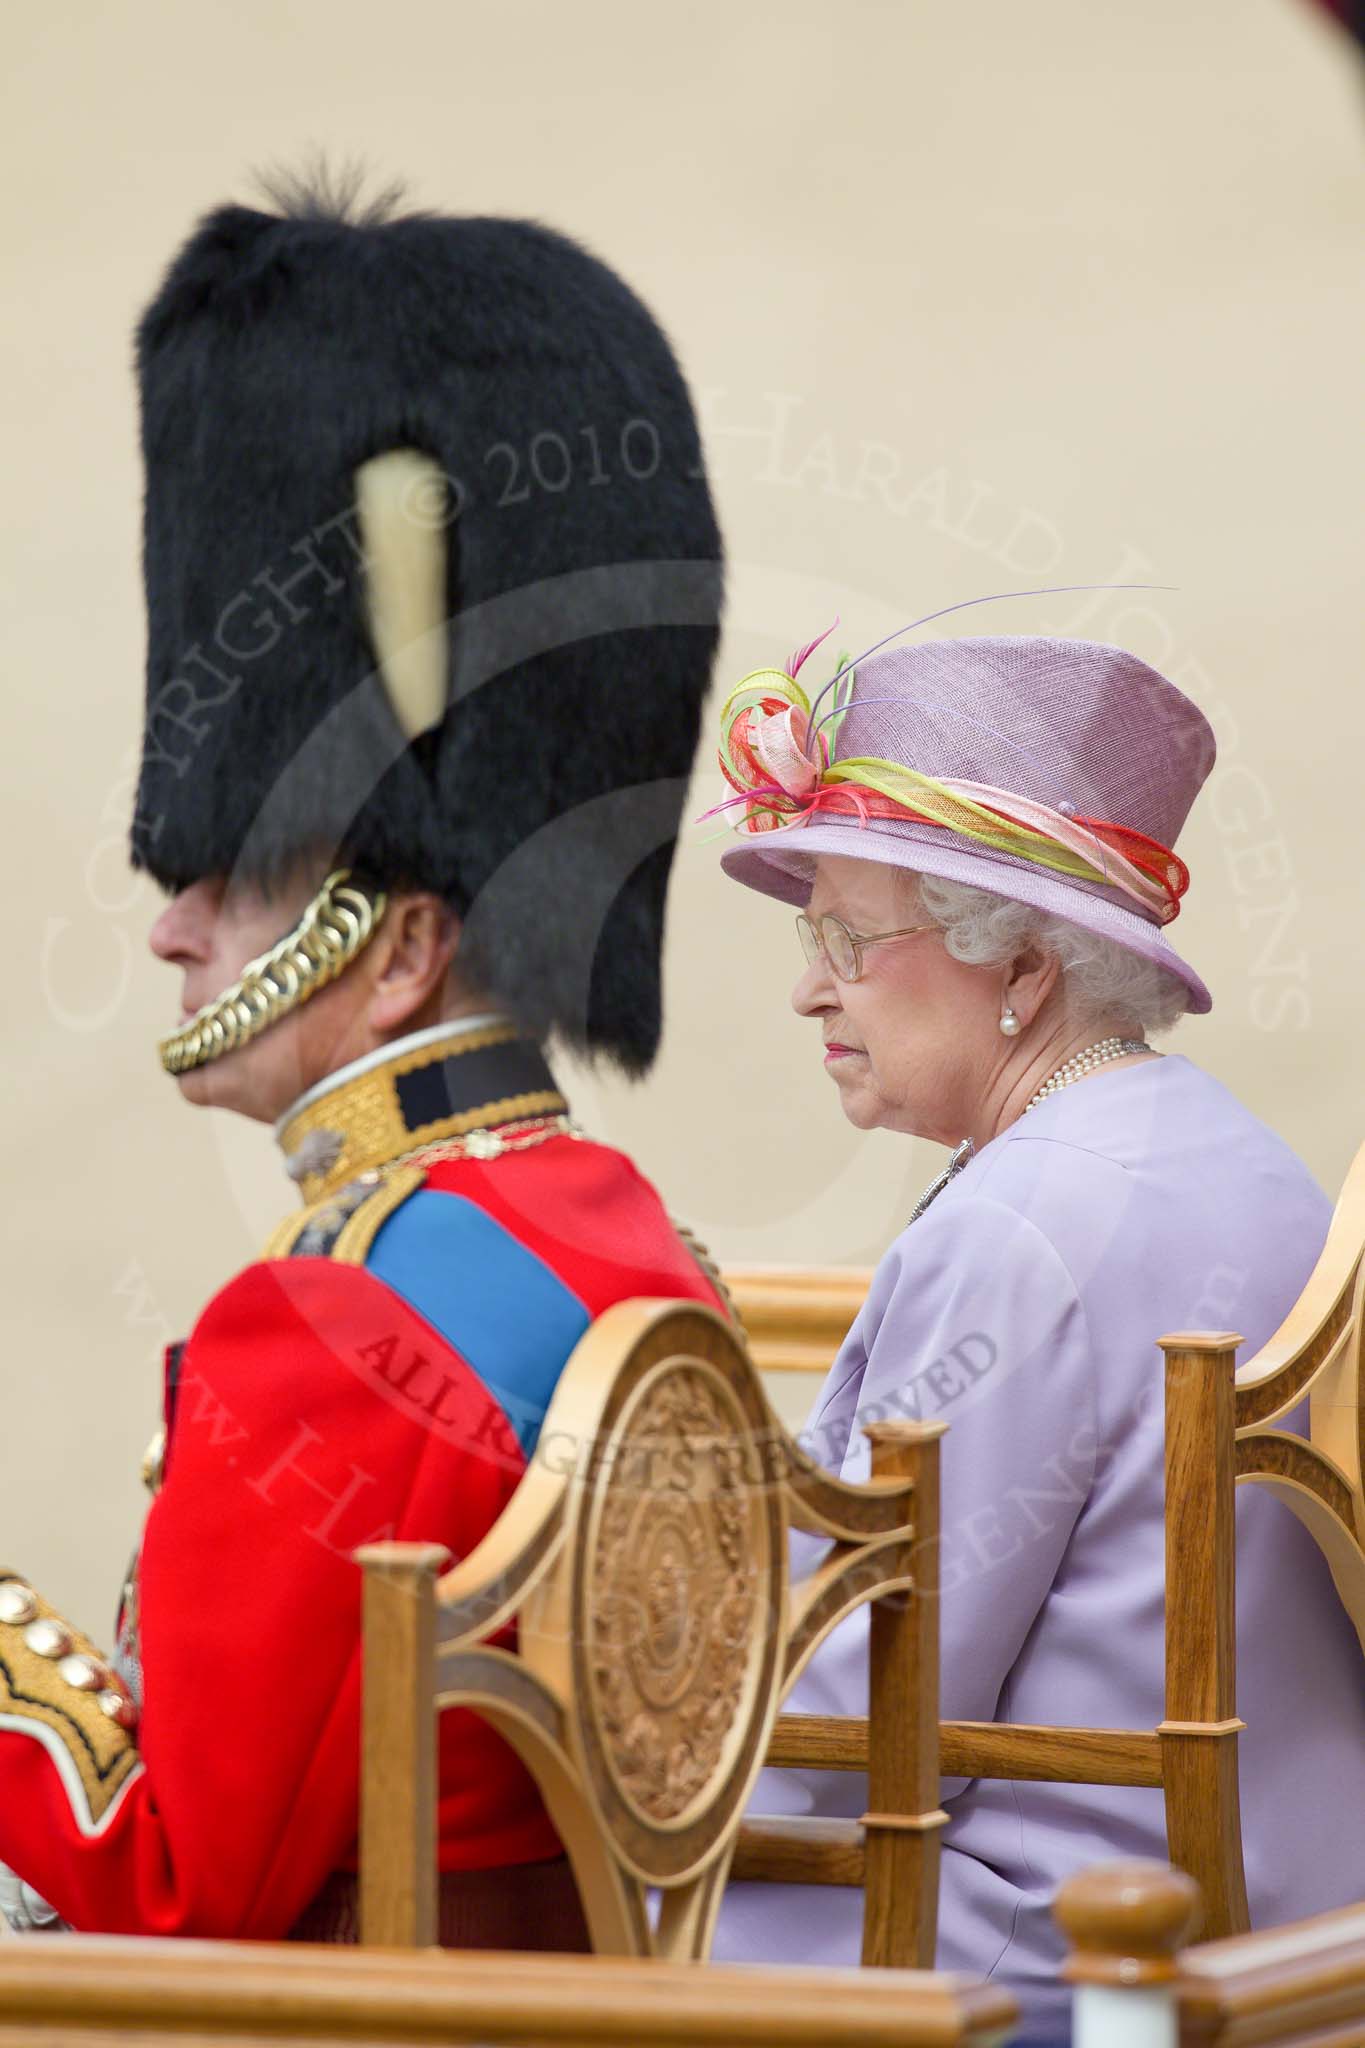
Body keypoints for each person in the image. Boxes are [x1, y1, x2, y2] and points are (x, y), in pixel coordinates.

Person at [0, 177, 726, 1944]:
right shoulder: (618, 1225)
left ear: (399, 946)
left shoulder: (334, 1325)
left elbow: (175, 1889)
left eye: (231, 877)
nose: (171, 931)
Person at [706, 623, 1365, 2041]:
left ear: (1016, 966)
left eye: (846, 938)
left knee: (558, 1914)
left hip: (1077, 1934)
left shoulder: (1020, 1226)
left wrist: (602, 1753)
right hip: (1286, 1900)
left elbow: (857, 1711)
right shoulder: (1224, 1149)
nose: (809, 987)